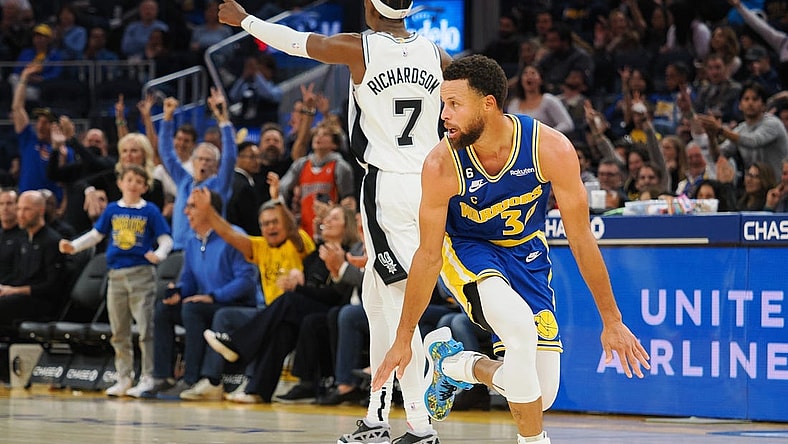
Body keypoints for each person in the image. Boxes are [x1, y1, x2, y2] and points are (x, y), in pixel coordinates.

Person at [372, 55, 650, 444]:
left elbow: (581, 238)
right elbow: (429, 255)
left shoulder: (549, 148)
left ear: (488, 104)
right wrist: (403, 337)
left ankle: (457, 364)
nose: (444, 115)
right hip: (468, 250)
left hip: (526, 254)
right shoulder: (441, 163)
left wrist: (612, 318)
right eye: (442, 104)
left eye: (454, 105)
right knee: (520, 332)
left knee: (541, 392)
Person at [217, 0, 453, 441]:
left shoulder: (359, 48)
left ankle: (420, 426)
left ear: (370, 6)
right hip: (428, 182)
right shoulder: (435, 53)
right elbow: (470, 90)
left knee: (399, 306)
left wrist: (245, 19)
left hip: (385, 185)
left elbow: (295, 43)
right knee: (375, 299)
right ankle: (377, 417)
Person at [202, 205, 360, 404]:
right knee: (283, 327)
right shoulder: (314, 256)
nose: (327, 221)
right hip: (309, 309)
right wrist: (297, 284)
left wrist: (299, 289)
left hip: (333, 310)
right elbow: (308, 289)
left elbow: (335, 297)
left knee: (288, 301)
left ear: (348, 226)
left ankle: (236, 344)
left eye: (334, 218)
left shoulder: (350, 254)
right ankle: (258, 390)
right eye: (326, 218)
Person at [59, 165, 173, 397]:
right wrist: (74, 246)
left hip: (141, 274)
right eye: (129, 179)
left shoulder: (150, 211)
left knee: (145, 329)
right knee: (118, 331)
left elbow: (166, 240)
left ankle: (148, 377)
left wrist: (159, 255)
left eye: (139, 181)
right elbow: (96, 235)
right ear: (120, 183)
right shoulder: (111, 210)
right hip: (116, 276)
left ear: (145, 187)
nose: (133, 184)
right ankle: (124, 377)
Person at [140, 190, 257, 400]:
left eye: (192, 206)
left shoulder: (234, 235)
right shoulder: (192, 241)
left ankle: (191, 379)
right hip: (206, 304)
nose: (185, 211)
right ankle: (163, 376)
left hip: (236, 305)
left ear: (209, 210)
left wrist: (213, 296)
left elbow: (246, 281)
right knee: (164, 310)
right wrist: (179, 291)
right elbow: (189, 281)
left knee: (192, 309)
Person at [158, 90, 237, 250]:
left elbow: (229, 158)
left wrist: (223, 121)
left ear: (216, 166)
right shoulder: (184, 180)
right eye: (200, 159)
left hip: (207, 248)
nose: (203, 163)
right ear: (192, 162)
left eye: (208, 160)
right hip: (178, 249)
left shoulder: (219, 185)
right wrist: (167, 118)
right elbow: (167, 153)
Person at [0, 190, 66, 329]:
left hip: (41, 301)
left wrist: (15, 291)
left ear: (41, 210)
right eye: (19, 209)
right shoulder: (23, 239)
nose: (20, 214)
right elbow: (17, 275)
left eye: (26, 209)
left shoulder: (52, 241)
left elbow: (52, 286)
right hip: (19, 296)